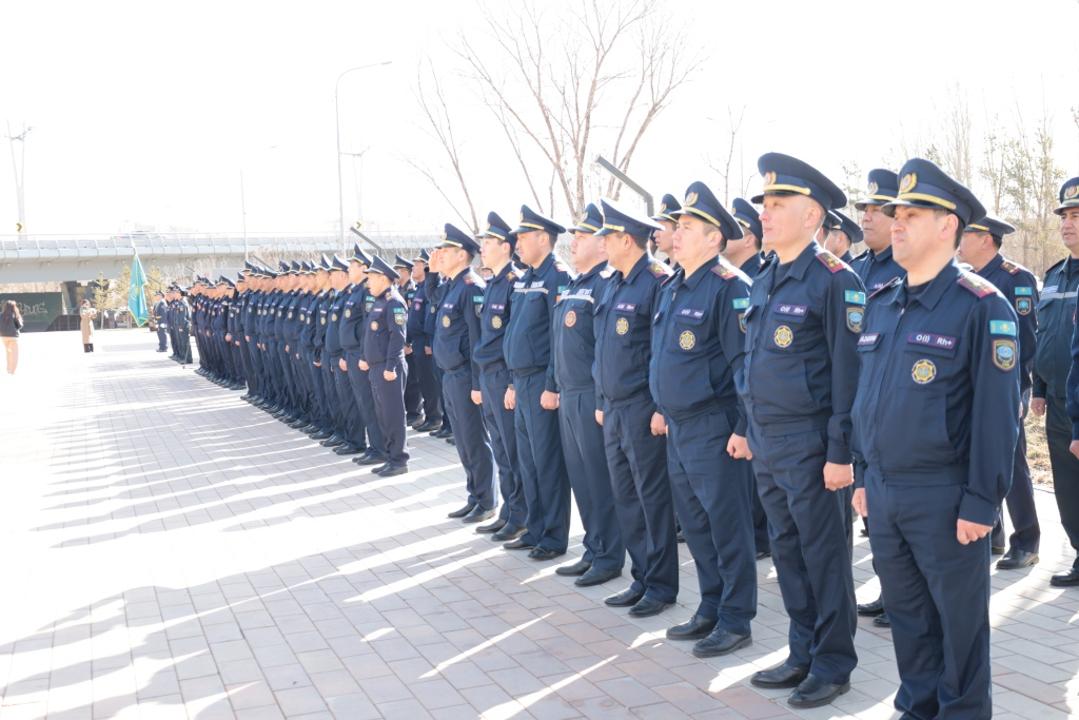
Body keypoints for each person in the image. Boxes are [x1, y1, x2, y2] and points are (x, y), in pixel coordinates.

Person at [854, 157, 1019, 719]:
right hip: (885, 491)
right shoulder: (883, 302)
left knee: (960, 631)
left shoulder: (981, 306)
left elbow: (999, 420)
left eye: (911, 214)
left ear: (948, 225)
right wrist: (861, 474)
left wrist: (982, 501)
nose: (895, 223)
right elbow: (867, 399)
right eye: (894, 214)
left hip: (946, 498)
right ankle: (917, 709)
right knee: (908, 620)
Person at [737, 153, 862, 708]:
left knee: (824, 553)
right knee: (787, 551)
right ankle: (801, 648)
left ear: (812, 215)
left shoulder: (835, 281)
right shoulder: (765, 277)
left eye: (778, 204)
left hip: (813, 444)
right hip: (767, 440)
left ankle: (833, 662)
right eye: (764, 203)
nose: (765, 212)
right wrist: (746, 427)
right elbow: (753, 364)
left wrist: (841, 452)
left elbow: (848, 374)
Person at [652, 182, 757, 656]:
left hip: (715, 426)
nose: (676, 234)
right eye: (677, 227)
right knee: (695, 524)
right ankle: (710, 605)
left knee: (726, 523)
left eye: (688, 227)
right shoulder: (674, 286)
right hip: (678, 426)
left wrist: (742, 427)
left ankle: (736, 618)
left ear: (714, 238)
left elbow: (744, 367)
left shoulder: (730, 288)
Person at [593, 198, 679, 618]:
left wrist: (660, 406)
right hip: (613, 407)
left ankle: (662, 585)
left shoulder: (657, 281)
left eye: (607, 237)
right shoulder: (613, 283)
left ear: (626, 239)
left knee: (652, 498)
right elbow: (602, 348)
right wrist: (600, 399)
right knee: (626, 497)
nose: (602, 244)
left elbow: (661, 353)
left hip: (644, 408)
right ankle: (642, 576)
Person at [549, 203, 625, 586]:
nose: (574, 243)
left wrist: (598, 400)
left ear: (602, 244)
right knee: (580, 477)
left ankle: (610, 555)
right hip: (568, 394)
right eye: (574, 236)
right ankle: (593, 547)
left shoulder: (605, 285)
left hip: (590, 397)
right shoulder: (576, 285)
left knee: (599, 478)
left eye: (582, 237)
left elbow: (603, 351)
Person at [959, 216, 1041, 567]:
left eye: (967, 234)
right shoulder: (964, 280)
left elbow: (1025, 339)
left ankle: (1027, 540)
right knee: (979, 458)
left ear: (987, 240)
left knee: (1012, 462)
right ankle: (992, 533)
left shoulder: (1014, 278)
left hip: (1008, 387)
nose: (960, 241)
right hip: (972, 388)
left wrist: (1021, 391)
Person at [501, 205, 573, 561]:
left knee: (547, 462)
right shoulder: (526, 278)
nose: (517, 243)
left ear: (543, 238)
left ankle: (555, 536)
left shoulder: (557, 277)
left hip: (541, 383)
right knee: (527, 461)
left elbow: (557, 339)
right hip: (521, 381)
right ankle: (536, 526)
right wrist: (513, 383)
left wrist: (551, 385)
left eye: (523, 237)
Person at [850, 168, 905, 628]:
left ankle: (899, 594)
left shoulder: (906, 266)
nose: (866, 218)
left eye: (875, 210)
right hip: (860, 397)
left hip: (897, 403)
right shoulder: (857, 268)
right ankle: (887, 588)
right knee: (873, 512)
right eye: (864, 210)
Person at [434, 225, 497, 522]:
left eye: (445, 251)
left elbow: (476, 340)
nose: (440, 255)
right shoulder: (452, 286)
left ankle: (486, 500)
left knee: (474, 438)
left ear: (462, 254)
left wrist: (476, 382)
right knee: (462, 439)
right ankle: (474, 494)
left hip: (465, 377)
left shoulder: (471, 287)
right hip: (450, 375)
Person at [472, 213, 528, 540]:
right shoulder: (493, 283)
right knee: (501, 448)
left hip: (503, 377)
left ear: (505, 247)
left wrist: (511, 382)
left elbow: (513, 337)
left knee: (512, 449)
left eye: (488, 242)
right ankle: (509, 509)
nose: (483, 247)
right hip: (489, 375)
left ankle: (521, 514)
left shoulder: (513, 282)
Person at [1036, 175, 1079, 587]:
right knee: (1067, 489)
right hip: (1060, 404)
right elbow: (1044, 335)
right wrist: (1039, 388)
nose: (1067, 223)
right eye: (1064, 216)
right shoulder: (1054, 275)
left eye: (1077, 215)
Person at [361, 255, 410, 476]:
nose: (368, 282)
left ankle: (399, 460)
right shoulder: (380, 301)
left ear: (382, 278)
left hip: (388, 369)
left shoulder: (394, 302)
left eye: (371, 278)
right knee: (383, 414)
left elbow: (397, 338)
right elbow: (372, 335)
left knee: (393, 415)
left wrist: (390, 367)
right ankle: (390, 457)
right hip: (377, 367)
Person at [0, 300, 23, 374]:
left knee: (8, 352)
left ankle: (8, 368)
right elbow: (19, 326)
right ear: (14, 307)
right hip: (13, 337)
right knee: (15, 354)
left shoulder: (1, 315)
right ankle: (13, 371)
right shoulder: (15, 314)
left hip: (3, 337)